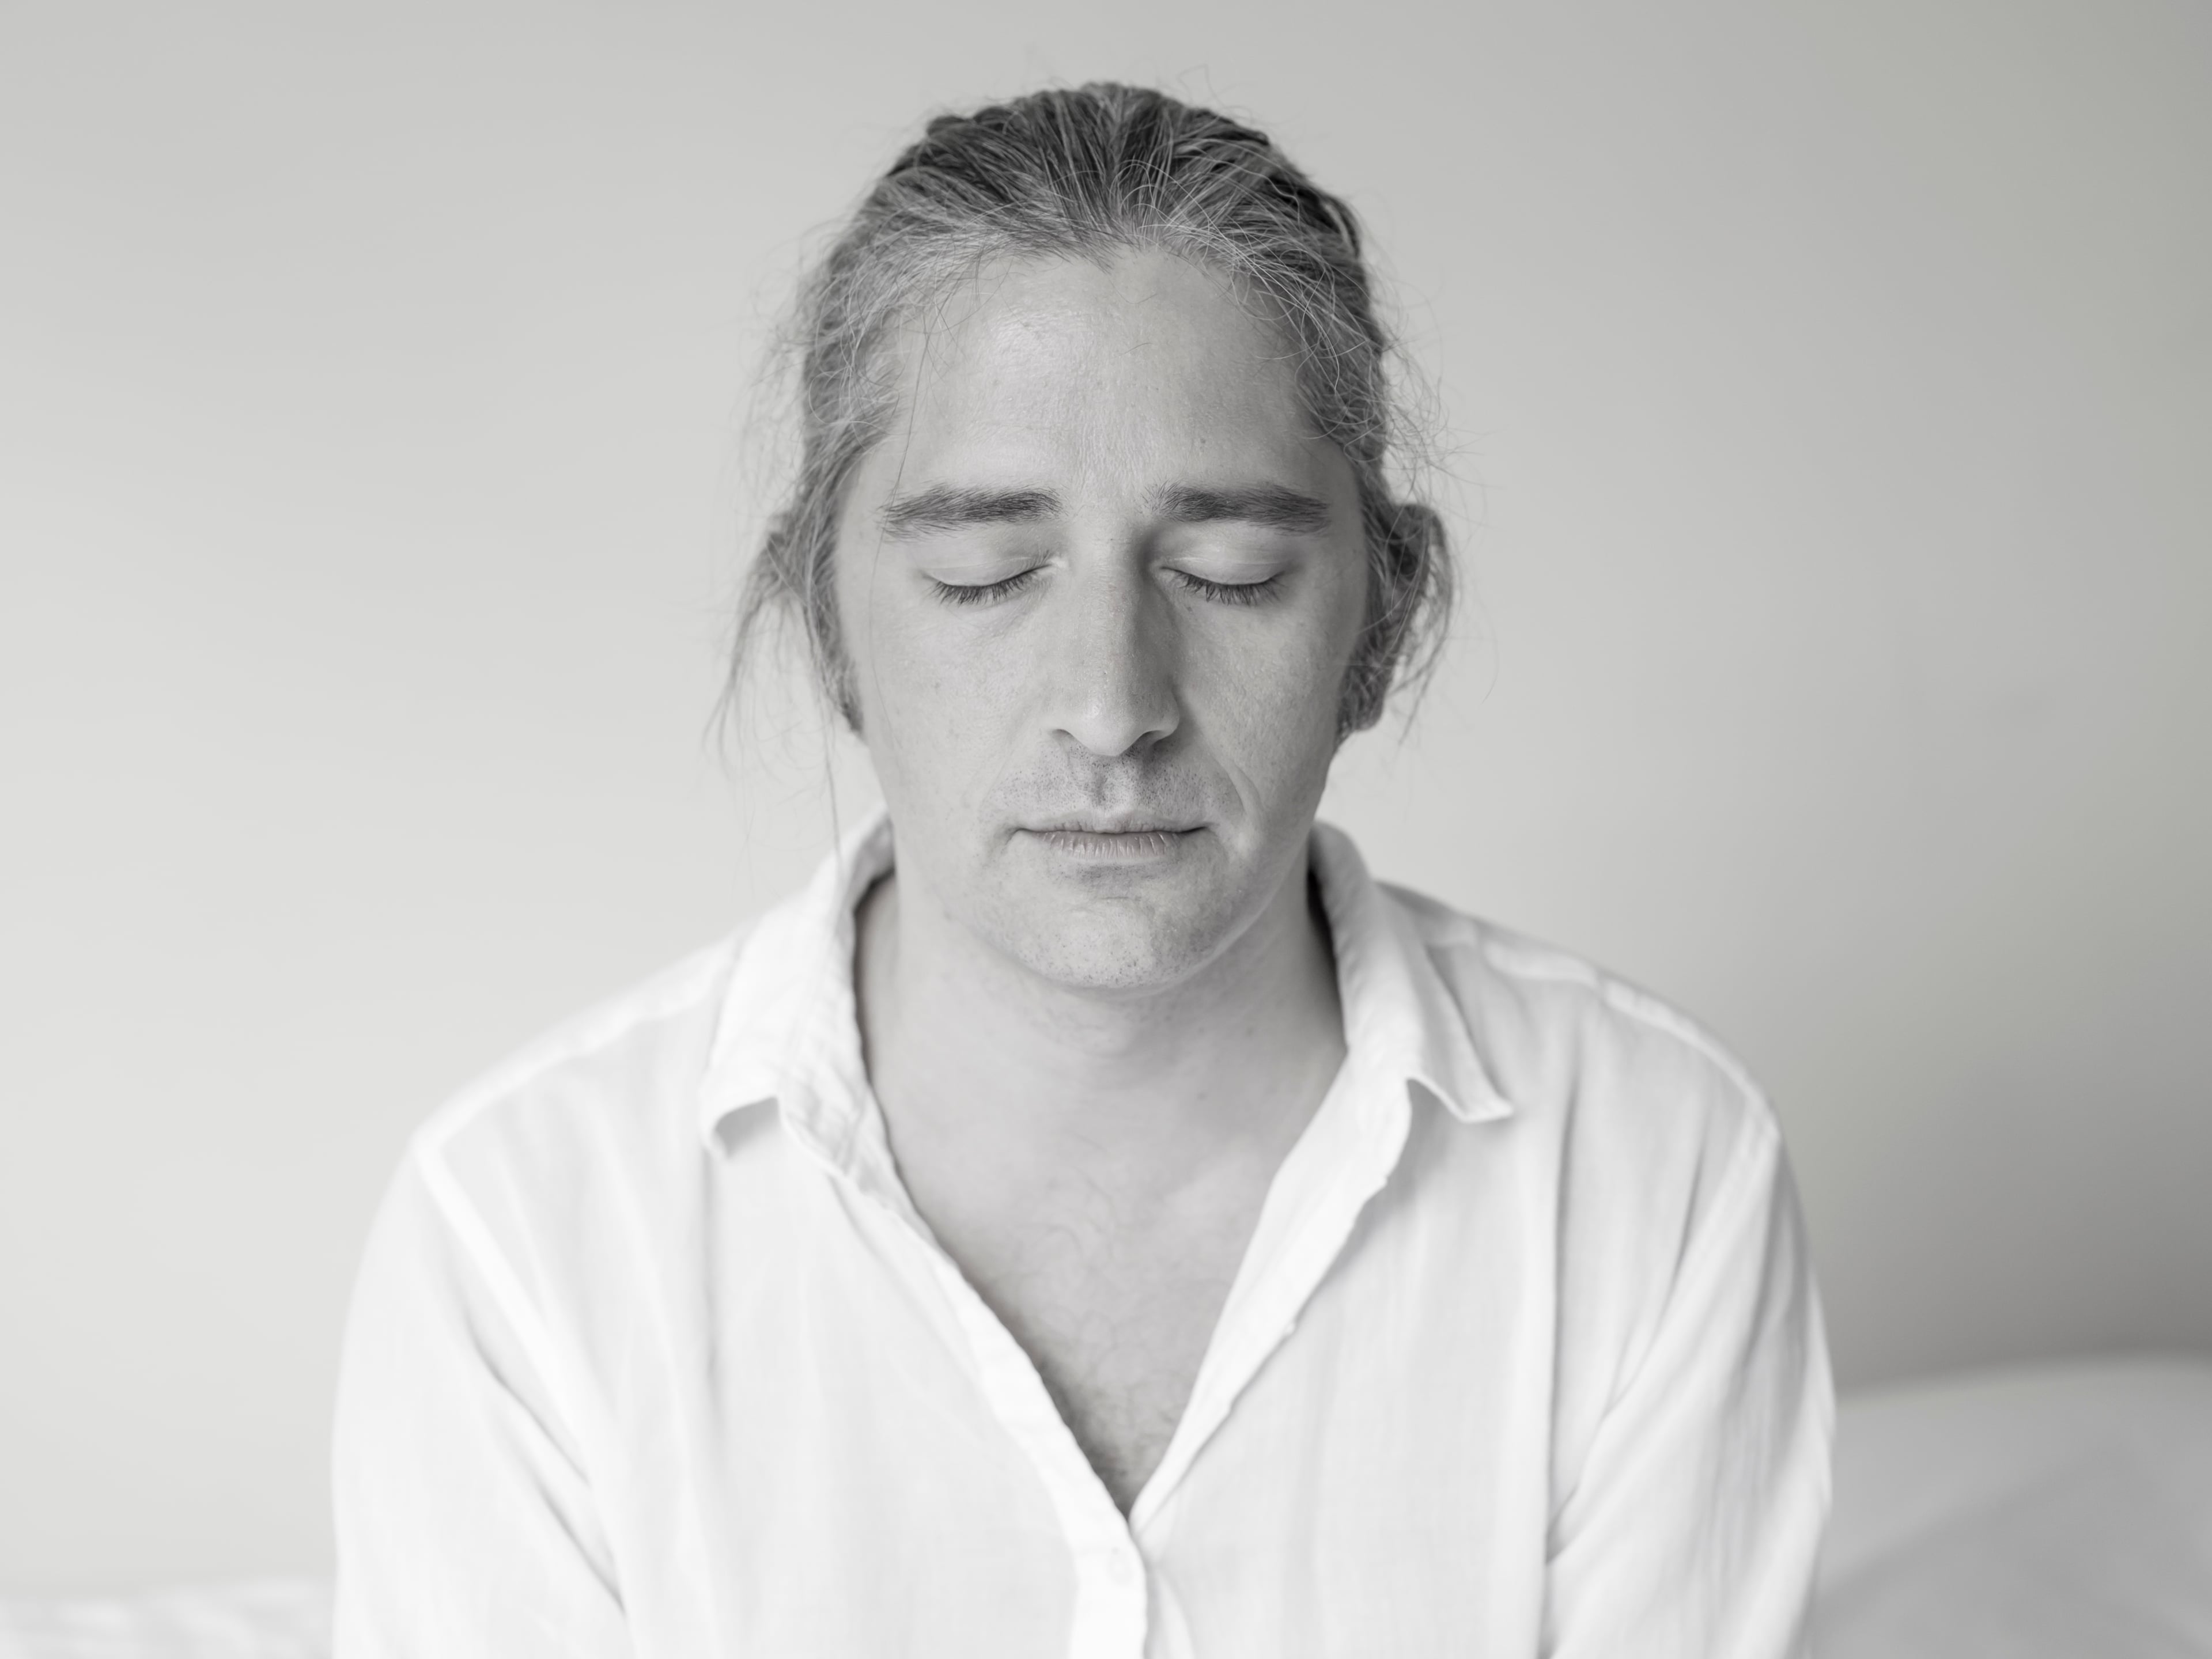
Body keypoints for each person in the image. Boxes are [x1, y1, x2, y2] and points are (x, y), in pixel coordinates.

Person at [332, 83, 1832, 1658]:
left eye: (1227, 575)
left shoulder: (1652, 1168)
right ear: (825, 626)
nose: (1114, 706)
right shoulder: (524, 1240)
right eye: (987, 577)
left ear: (1386, 622)